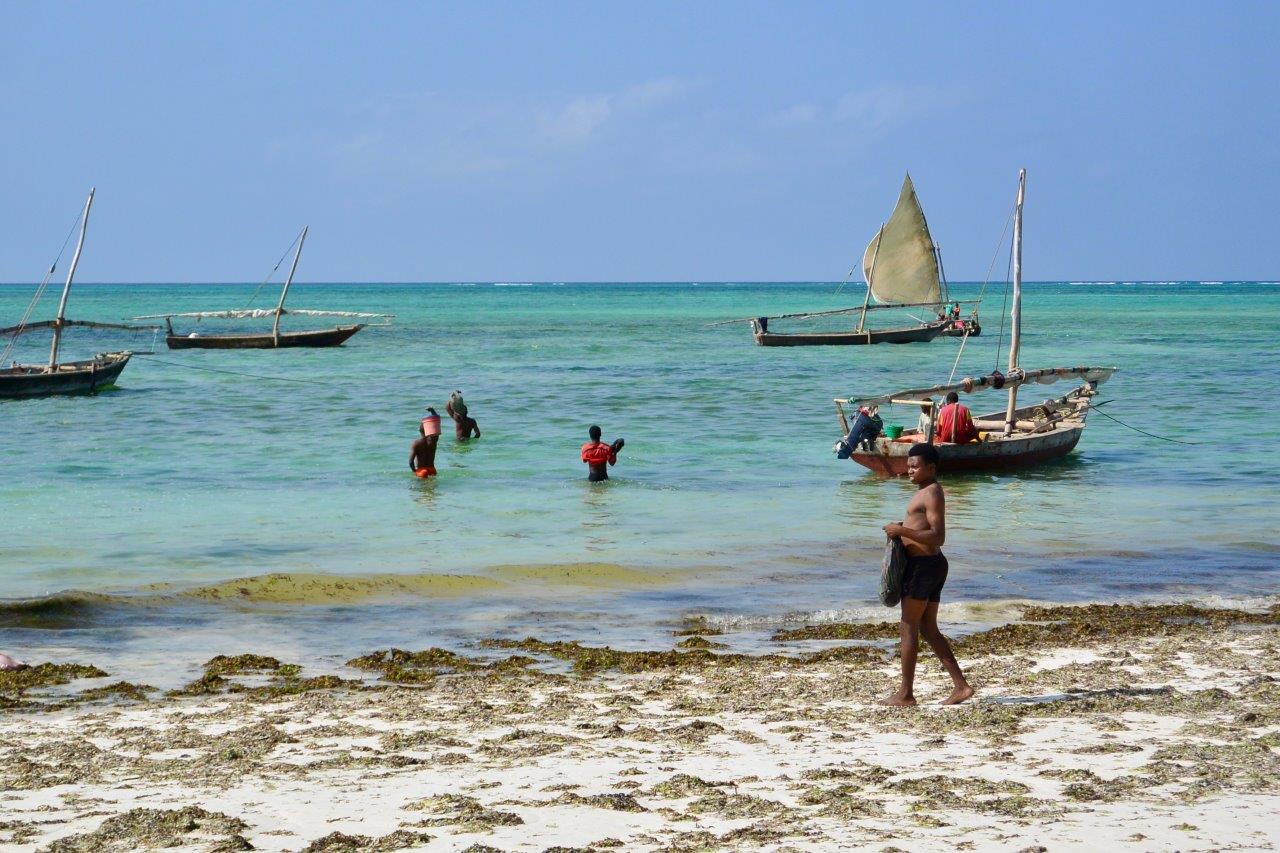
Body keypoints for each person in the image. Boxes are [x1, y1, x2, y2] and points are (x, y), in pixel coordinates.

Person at [880, 443, 974, 706]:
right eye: (908, 465)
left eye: (915, 466)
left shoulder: (931, 493)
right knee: (929, 628)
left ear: (930, 467)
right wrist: (904, 528)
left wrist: (902, 532)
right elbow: (923, 528)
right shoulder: (925, 491)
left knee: (909, 626)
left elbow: (938, 536)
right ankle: (961, 686)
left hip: (923, 568)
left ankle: (906, 694)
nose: (909, 470)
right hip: (930, 566)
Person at [410, 409, 441, 477]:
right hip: (432, 470)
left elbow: (411, 462)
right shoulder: (434, 441)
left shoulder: (416, 443)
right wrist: (433, 412)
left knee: (422, 486)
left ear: (420, 430)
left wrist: (414, 471)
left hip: (422, 471)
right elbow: (436, 423)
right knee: (432, 486)